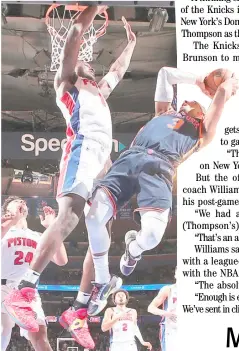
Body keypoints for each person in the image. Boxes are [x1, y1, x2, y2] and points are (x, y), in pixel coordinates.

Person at [3, 5, 137, 348]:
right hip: (81, 151)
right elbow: (76, 33)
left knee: (101, 233)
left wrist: (131, 45)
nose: (90, 64)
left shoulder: (98, 91)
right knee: (69, 217)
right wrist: (93, 7)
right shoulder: (66, 81)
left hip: (103, 161)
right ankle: (25, 287)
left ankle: (77, 309)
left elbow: (118, 72)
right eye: (85, 62)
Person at [82, 67, 238, 315]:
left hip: (161, 168)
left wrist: (227, 83)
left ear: (201, 113)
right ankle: (103, 281)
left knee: (153, 236)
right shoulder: (163, 112)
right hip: (130, 159)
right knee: (92, 217)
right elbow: (165, 73)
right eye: (186, 101)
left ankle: (133, 249)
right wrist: (197, 78)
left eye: (195, 104)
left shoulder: (203, 131)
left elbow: (221, 95)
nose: (188, 102)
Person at [1, 196, 67, 351]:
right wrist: (10, 221)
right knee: (4, 330)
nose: (21, 202)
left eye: (22, 202)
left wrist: (52, 227)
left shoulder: (38, 236)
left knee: (39, 335)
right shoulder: (4, 229)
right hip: (3, 287)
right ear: (6, 211)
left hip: (27, 291)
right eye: (16, 202)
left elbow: (61, 259)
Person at [148, 268, 177, 351]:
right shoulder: (168, 289)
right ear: (175, 274)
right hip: (170, 329)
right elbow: (151, 308)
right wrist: (166, 313)